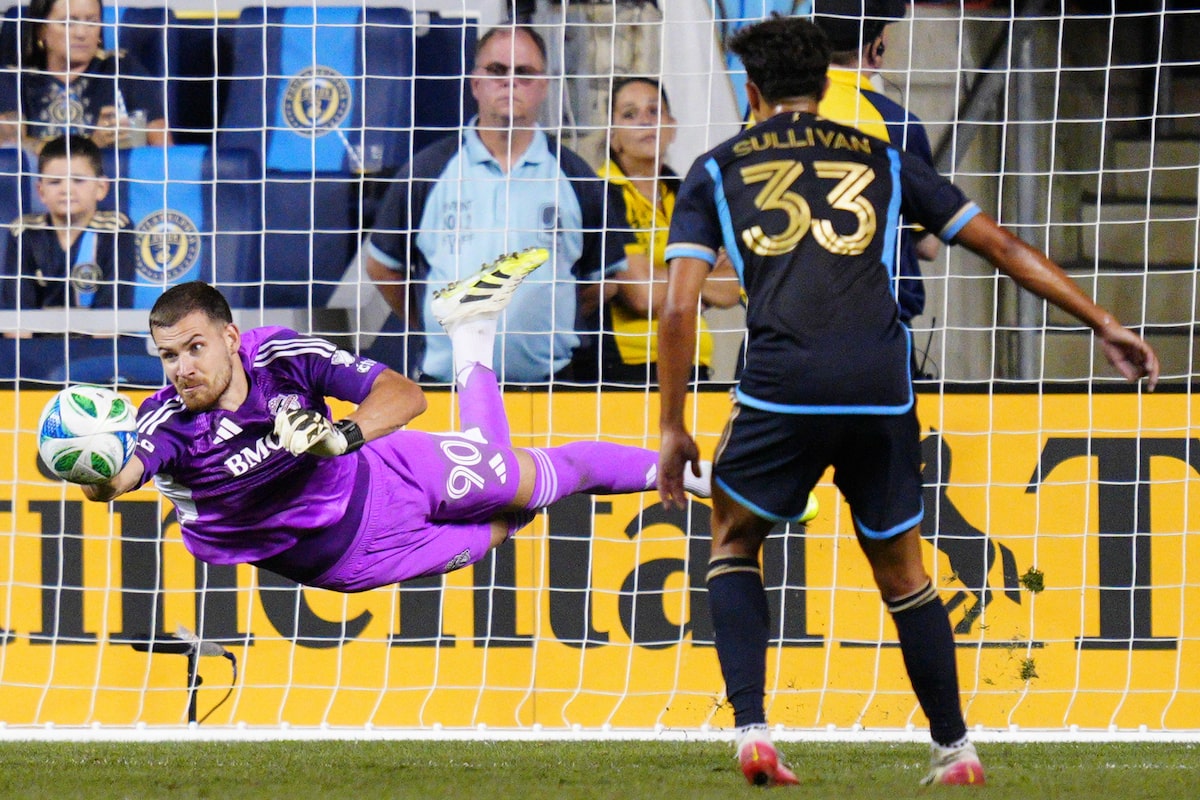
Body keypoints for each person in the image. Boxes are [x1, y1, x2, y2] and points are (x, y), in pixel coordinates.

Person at [656, 15, 1158, 788]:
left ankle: (754, 729)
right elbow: (1000, 244)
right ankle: (955, 747)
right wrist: (1104, 321)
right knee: (903, 573)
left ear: (750, 92)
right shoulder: (884, 156)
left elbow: (679, 307)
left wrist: (672, 424)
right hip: (880, 386)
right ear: (828, 88)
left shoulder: (715, 169)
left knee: (732, 540)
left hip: (783, 384)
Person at [79, 252, 711, 592]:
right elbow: (118, 478)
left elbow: (405, 396)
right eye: (167, 355)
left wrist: (336, 438)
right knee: (505, 520)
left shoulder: (279, 356)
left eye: (194, 348)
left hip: (383, 468)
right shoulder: (164, 425)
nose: (181, 368)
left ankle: (708, 478)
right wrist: (90, 468)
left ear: (230, 337)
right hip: (354, 557)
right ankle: (470, 332)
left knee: (544, 475)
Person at [364, 25, 628, 384]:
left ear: (545, 85)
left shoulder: (575, 175)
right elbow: (382, 267)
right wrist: (433, 320)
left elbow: (603, 281)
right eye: (497, 70)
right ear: (475, 82)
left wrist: (547, 315)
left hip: (552, 385)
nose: (510, 82)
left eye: (525, 72)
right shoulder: (427, 171)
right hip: (447, 384)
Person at [813, 0, 938, 372]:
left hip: (776, 339)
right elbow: (928, 244)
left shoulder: (764, 116)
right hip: (875, 342)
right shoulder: (897, 125)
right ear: (875, 47)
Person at [596, 76, 740, 384]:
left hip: (693, 359)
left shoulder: (689, 195)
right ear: (613, 137)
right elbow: (641, 294)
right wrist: (700, 281)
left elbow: (731, 288)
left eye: (654, 111)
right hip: (628, 365)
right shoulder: (602, 193)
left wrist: (664, 279)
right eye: (630, 114)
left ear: (672, 126)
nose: (645, 121)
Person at [0, 0, 171, 152]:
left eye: (91, 22)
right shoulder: (13, 79)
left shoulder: (122, 68)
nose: (81, 33)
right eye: (68, 23)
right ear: (41, 30)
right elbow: (10, 149)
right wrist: (91, 145)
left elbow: (164, 152)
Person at [1, 133, 133, 313]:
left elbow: (113, 316)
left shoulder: (116, 229)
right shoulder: (24, 231)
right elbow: (17, 316)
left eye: (78, 180)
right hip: (39, 340)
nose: (66, 189)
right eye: (55, 182)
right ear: (41, 192)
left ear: (101, 188)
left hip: (99, 340)